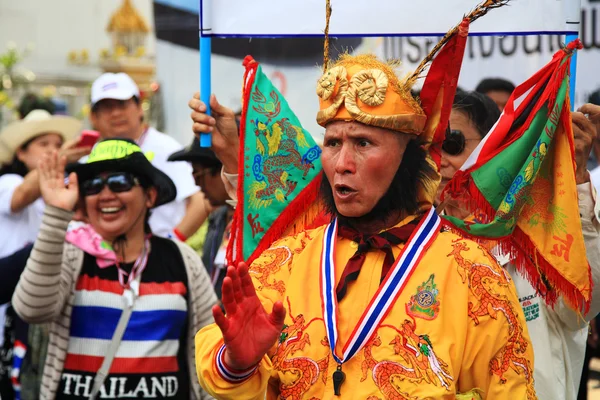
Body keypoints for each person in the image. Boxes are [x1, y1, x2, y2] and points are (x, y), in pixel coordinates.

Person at [191, 55, 537, 399]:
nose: (342, 164)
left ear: (407, 158)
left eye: (362, 143)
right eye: (333, 143)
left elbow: (510, 389)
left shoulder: (472, 274)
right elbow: (216, 357)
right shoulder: (285, 262)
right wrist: (236, 361)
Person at [11, 138, 216, 399]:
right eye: (93, 186)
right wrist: (56, 215)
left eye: (121, 182)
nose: (106, 194)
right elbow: (30, 309)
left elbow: (210, 350)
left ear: (150, 196)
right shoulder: (68, 254)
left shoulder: (181, 259)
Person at [436, 91, 600, 400]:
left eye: (452, 143)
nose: (438, 160)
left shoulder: (535, 238)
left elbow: (584, 303)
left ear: (491, 149)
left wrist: (575, 179)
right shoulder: (410, 245)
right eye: (426, 148)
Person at [0, 109, 88, 400]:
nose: (53, 150)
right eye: (44, 145)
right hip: (8, 312)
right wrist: (61, 159)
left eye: (57, 144)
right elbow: (21, 195)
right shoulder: (8, 184)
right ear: (22, 154)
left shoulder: (71, 192)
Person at [89, 72, 209, 239]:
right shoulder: (91, 155)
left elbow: (200, 200)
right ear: (94, 117)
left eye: (122, 104)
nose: (115, 113)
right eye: (107, 107)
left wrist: (172, 243)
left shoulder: (166, 148)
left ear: (139, 108)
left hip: (158, 252)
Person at [169, 139, 233, 299]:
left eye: (198, 174)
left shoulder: (255, 221)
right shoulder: (217, 219)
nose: (196, 184)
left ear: (224, 170)